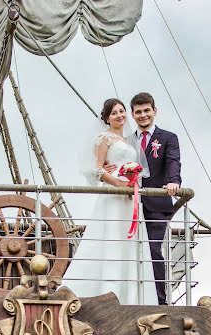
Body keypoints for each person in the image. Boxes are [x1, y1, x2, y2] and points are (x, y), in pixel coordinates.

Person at [63, 98, 157, 305]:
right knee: (111, 236)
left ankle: (131, 297)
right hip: (114, 195)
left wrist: (131, 182)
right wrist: (117, 183)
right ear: (106, 118)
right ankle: (106, 292)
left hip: (130, 197)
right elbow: (97, 169)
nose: (120, 115)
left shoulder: (128, 141)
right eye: (114, 113)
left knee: (130, 242)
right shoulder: (103, 138)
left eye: (122, 111)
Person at [131, 92, 182, 305]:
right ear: (133, 114)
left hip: (157, 204)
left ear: (154, 111)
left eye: (146, 111)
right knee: (129, 253)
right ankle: (131, 298)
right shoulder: (126, 141)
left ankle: (160, 300)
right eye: (138, 112)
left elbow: (172, 161)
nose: (143, 115)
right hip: (130, 205)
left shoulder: (168, 138)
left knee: (153, 249)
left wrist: (174, 181)